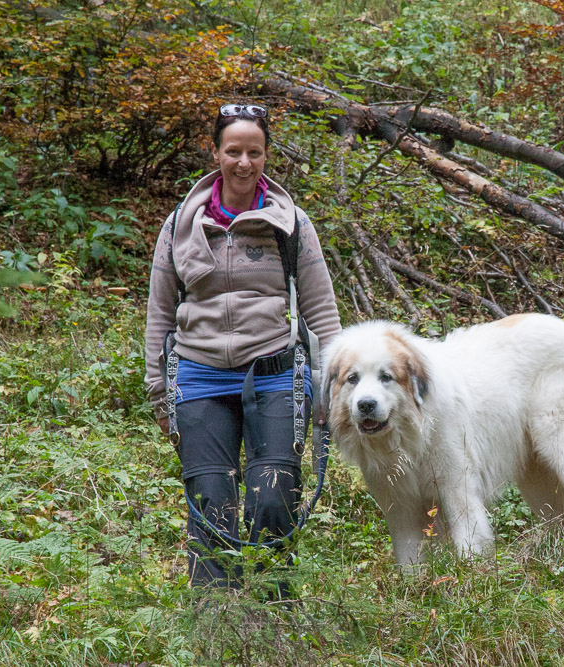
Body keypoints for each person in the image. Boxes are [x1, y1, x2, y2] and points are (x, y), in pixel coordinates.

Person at [144, 103, 342, 594]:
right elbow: (160, 313)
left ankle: (275, 613)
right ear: (215, 153)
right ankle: (217, 622)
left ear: (267, 156)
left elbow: (321, 312)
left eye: (254, 152)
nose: (243, 162)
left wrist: (332, 385)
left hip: (275, 372)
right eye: (233, 151)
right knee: (212, 502)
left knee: (273, 495)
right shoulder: (179, 225)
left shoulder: (292, 224)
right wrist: (157, 391)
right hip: (198, 375)